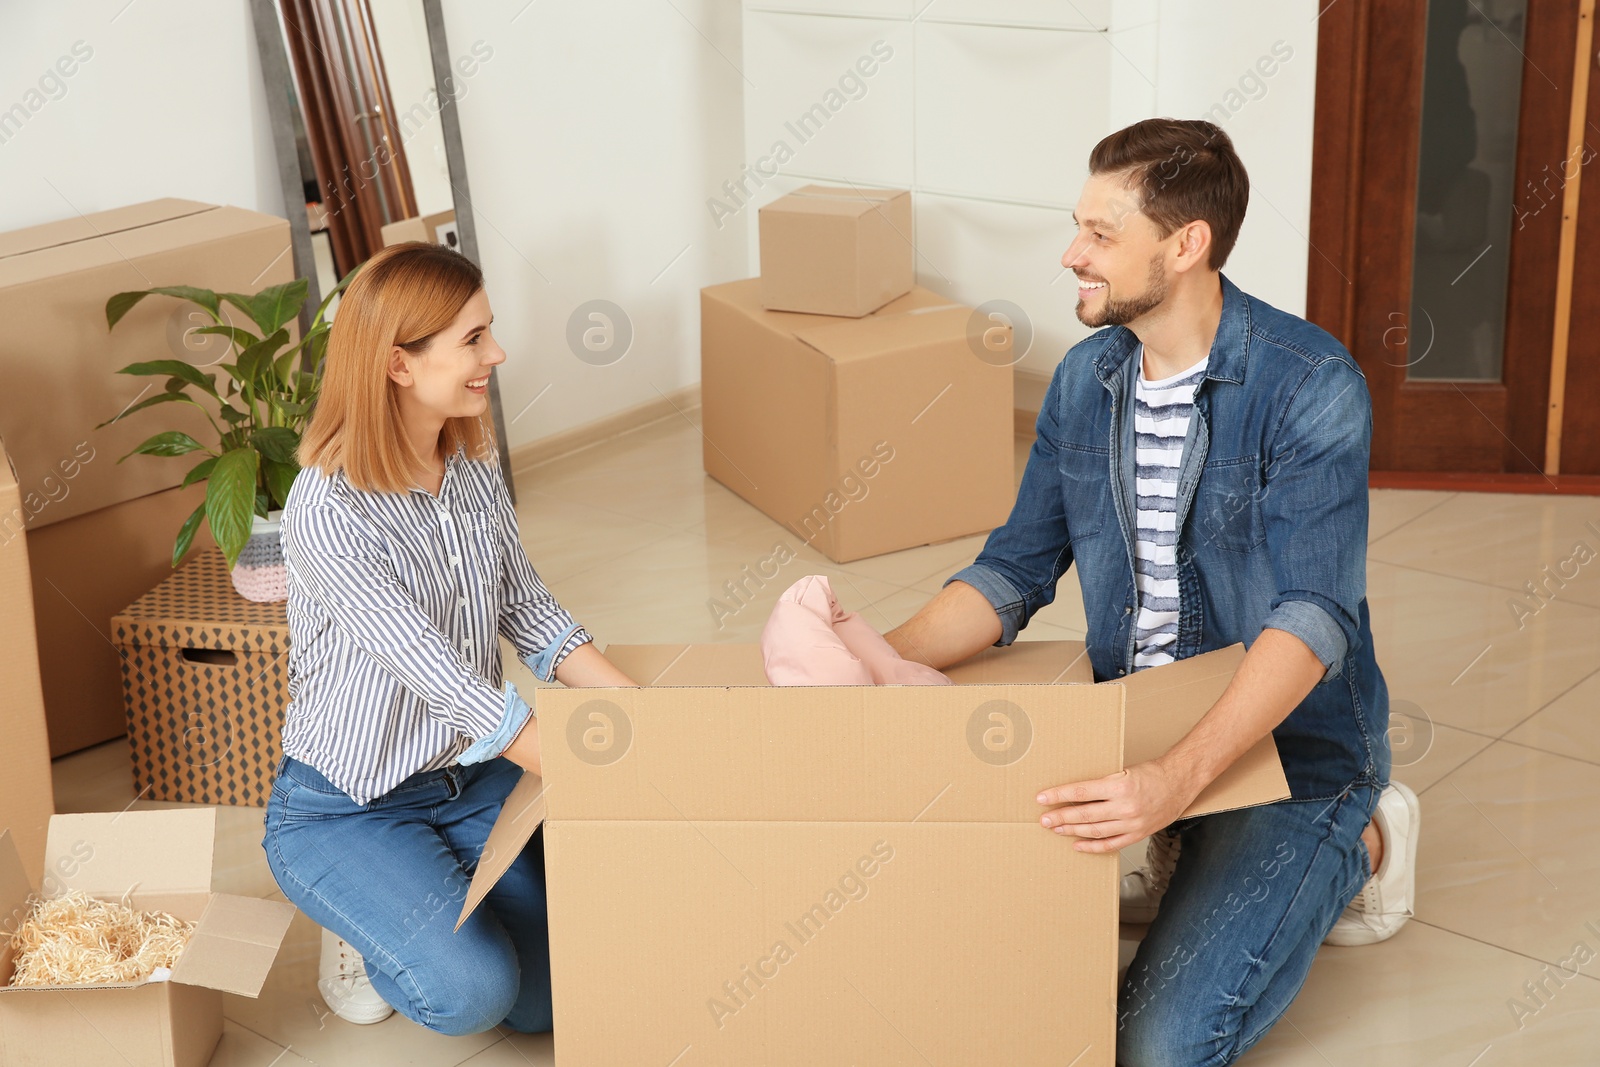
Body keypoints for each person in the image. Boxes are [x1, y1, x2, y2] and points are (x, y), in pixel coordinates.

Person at [884, 118, 1419, 1066]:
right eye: (1076, 226)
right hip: (1135, 724)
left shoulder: (1310, 384)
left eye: (1100, 234)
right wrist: (869, 663)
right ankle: (1188, 843)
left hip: (1290, 751)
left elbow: (1313, 617)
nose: (1071, 254)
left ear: (1186, 244)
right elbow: (1013, 570)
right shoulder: (1088, 378)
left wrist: (1175, 780)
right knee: (950, 946)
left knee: (1159, 1046)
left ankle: (1366, 839)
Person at [260, 242, 636, 1034]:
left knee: (548, 1003)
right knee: (475, 993)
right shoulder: (328, 510)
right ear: (399, 364)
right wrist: (611, 765)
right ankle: (362, 928)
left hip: (467, 777)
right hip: (348, 803)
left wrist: (643, 715)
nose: (495, 354)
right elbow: (449, 684)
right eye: (473, 339)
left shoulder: (467, 459)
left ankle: (418, 894)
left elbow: (529, 611)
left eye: (488, 332)